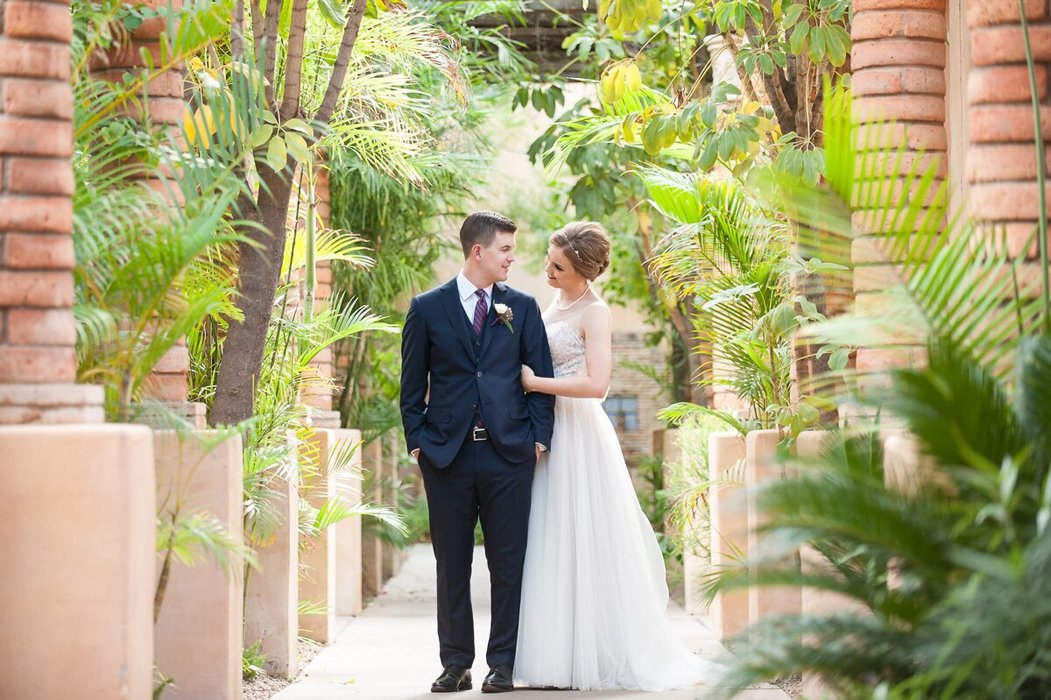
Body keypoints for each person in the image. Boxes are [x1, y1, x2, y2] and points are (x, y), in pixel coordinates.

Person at [514, 221, 718, 691]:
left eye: (558, 265)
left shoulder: (596, 312)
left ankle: (596, 650)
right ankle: (557, 654)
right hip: (549, 427)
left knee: (583, 533)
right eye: (549, 257)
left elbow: (597, 385)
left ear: (583, 271)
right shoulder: (557, 300)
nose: (548, 268)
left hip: (580, 432)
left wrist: (536, 384)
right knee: (551, 535)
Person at [400, 210, 555, 694]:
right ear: (478, 252)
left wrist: (537, 439)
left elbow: (540, 380)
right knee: (452, 564)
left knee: (508, 564)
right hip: (446, 457)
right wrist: (419, 444)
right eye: (506, 249)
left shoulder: (522, 307)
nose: (513, 258)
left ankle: (502, 664)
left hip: (508, 456)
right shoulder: (427, 308)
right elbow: (411, 388)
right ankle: (456, 663)